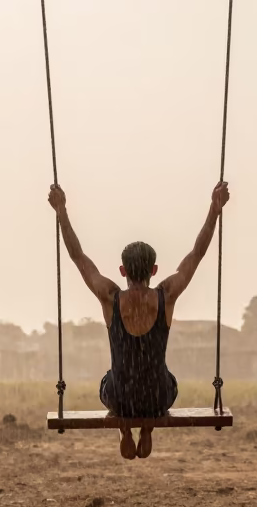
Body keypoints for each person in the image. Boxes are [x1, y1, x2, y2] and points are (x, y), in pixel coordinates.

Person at [47, 181, 230, 459]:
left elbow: (77, 256)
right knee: (166, 379)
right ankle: (147, 428)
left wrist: (61, 211)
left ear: (122, 271)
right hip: (156, 398)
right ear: (154, 270)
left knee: (109, 379)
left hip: (121, 399)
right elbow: (197, 253)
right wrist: (214, 210)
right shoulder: (166, 296)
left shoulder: (110, 297)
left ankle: (125, 430)